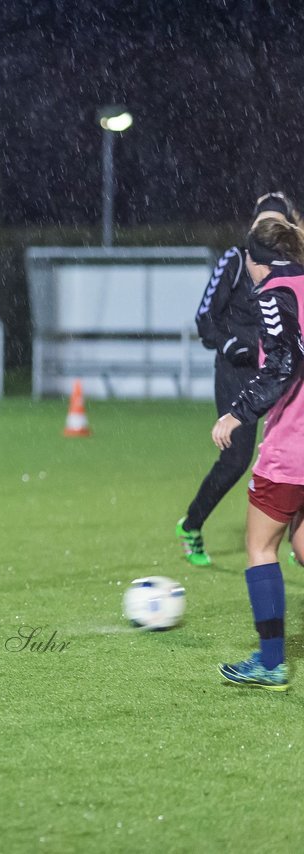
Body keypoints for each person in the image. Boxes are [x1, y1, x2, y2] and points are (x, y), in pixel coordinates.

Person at [176, 192, 299, 566]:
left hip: (287, 372)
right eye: (265, 221)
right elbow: (204, 317)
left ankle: (296, 537)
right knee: (236, 459)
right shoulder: (237, 259)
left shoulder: (293, 267)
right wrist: (231, 345)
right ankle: (191, 525)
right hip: (240, 373)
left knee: (292, 458)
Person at [210, 215, 304, 690]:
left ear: (254, 260)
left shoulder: (272, 293)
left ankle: (270, 663)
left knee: (260, 547)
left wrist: (236, 413)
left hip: (293, 446)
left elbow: (286, 361)